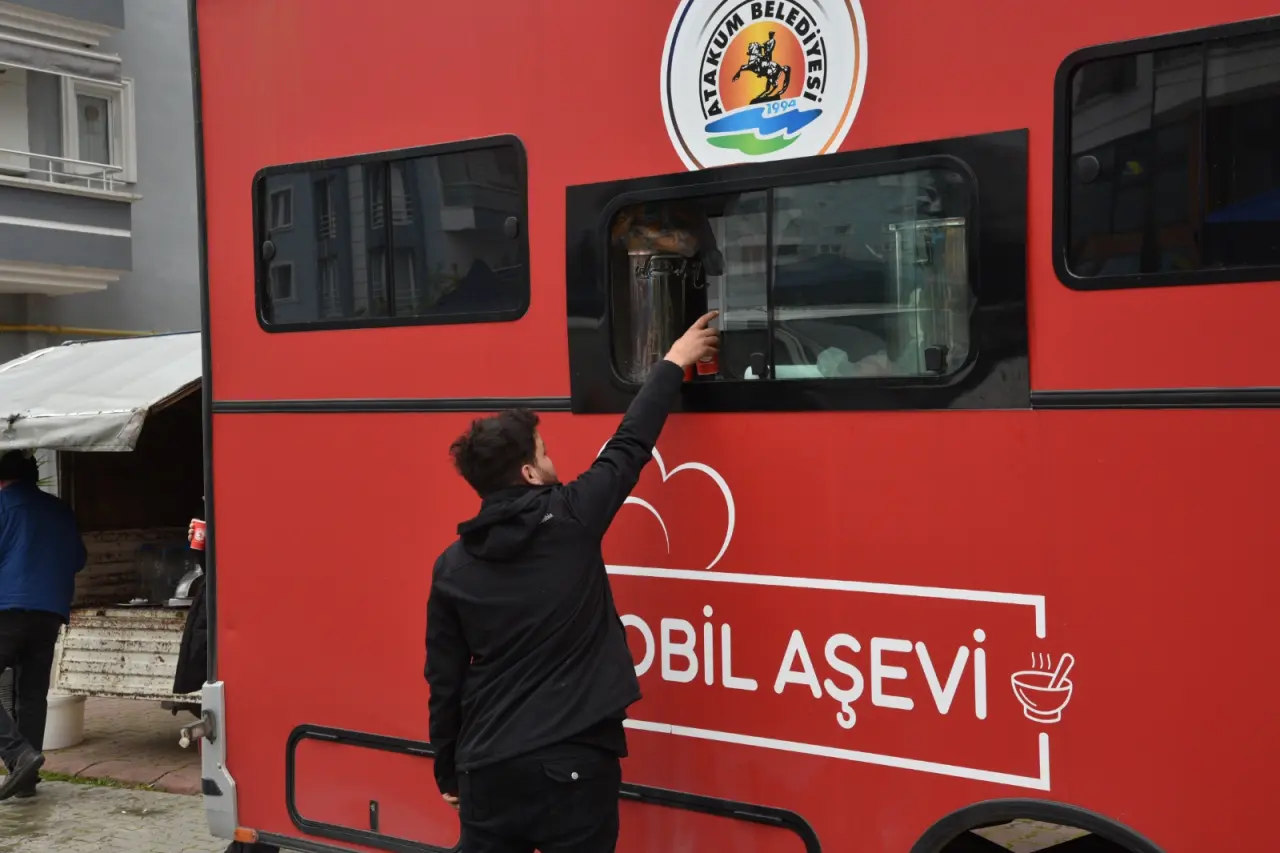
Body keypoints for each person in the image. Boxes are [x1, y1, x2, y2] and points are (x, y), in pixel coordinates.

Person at [425, 312, 720, 853]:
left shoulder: (452, 568)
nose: (551, 459)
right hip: (573, 766)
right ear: (529, 474)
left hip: (487, 768)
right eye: (543, 452)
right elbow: (630, 443)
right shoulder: (572, 518)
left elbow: (445, 681)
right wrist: (675, 361)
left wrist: (448, 770)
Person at [0, 450, 86, 800]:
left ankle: (18, 754)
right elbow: (78, 559)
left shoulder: (3, 505)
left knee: (29, 694)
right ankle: (25, 781)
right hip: (50, 612)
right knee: (32, 694)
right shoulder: (60, 510)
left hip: (7, 610)